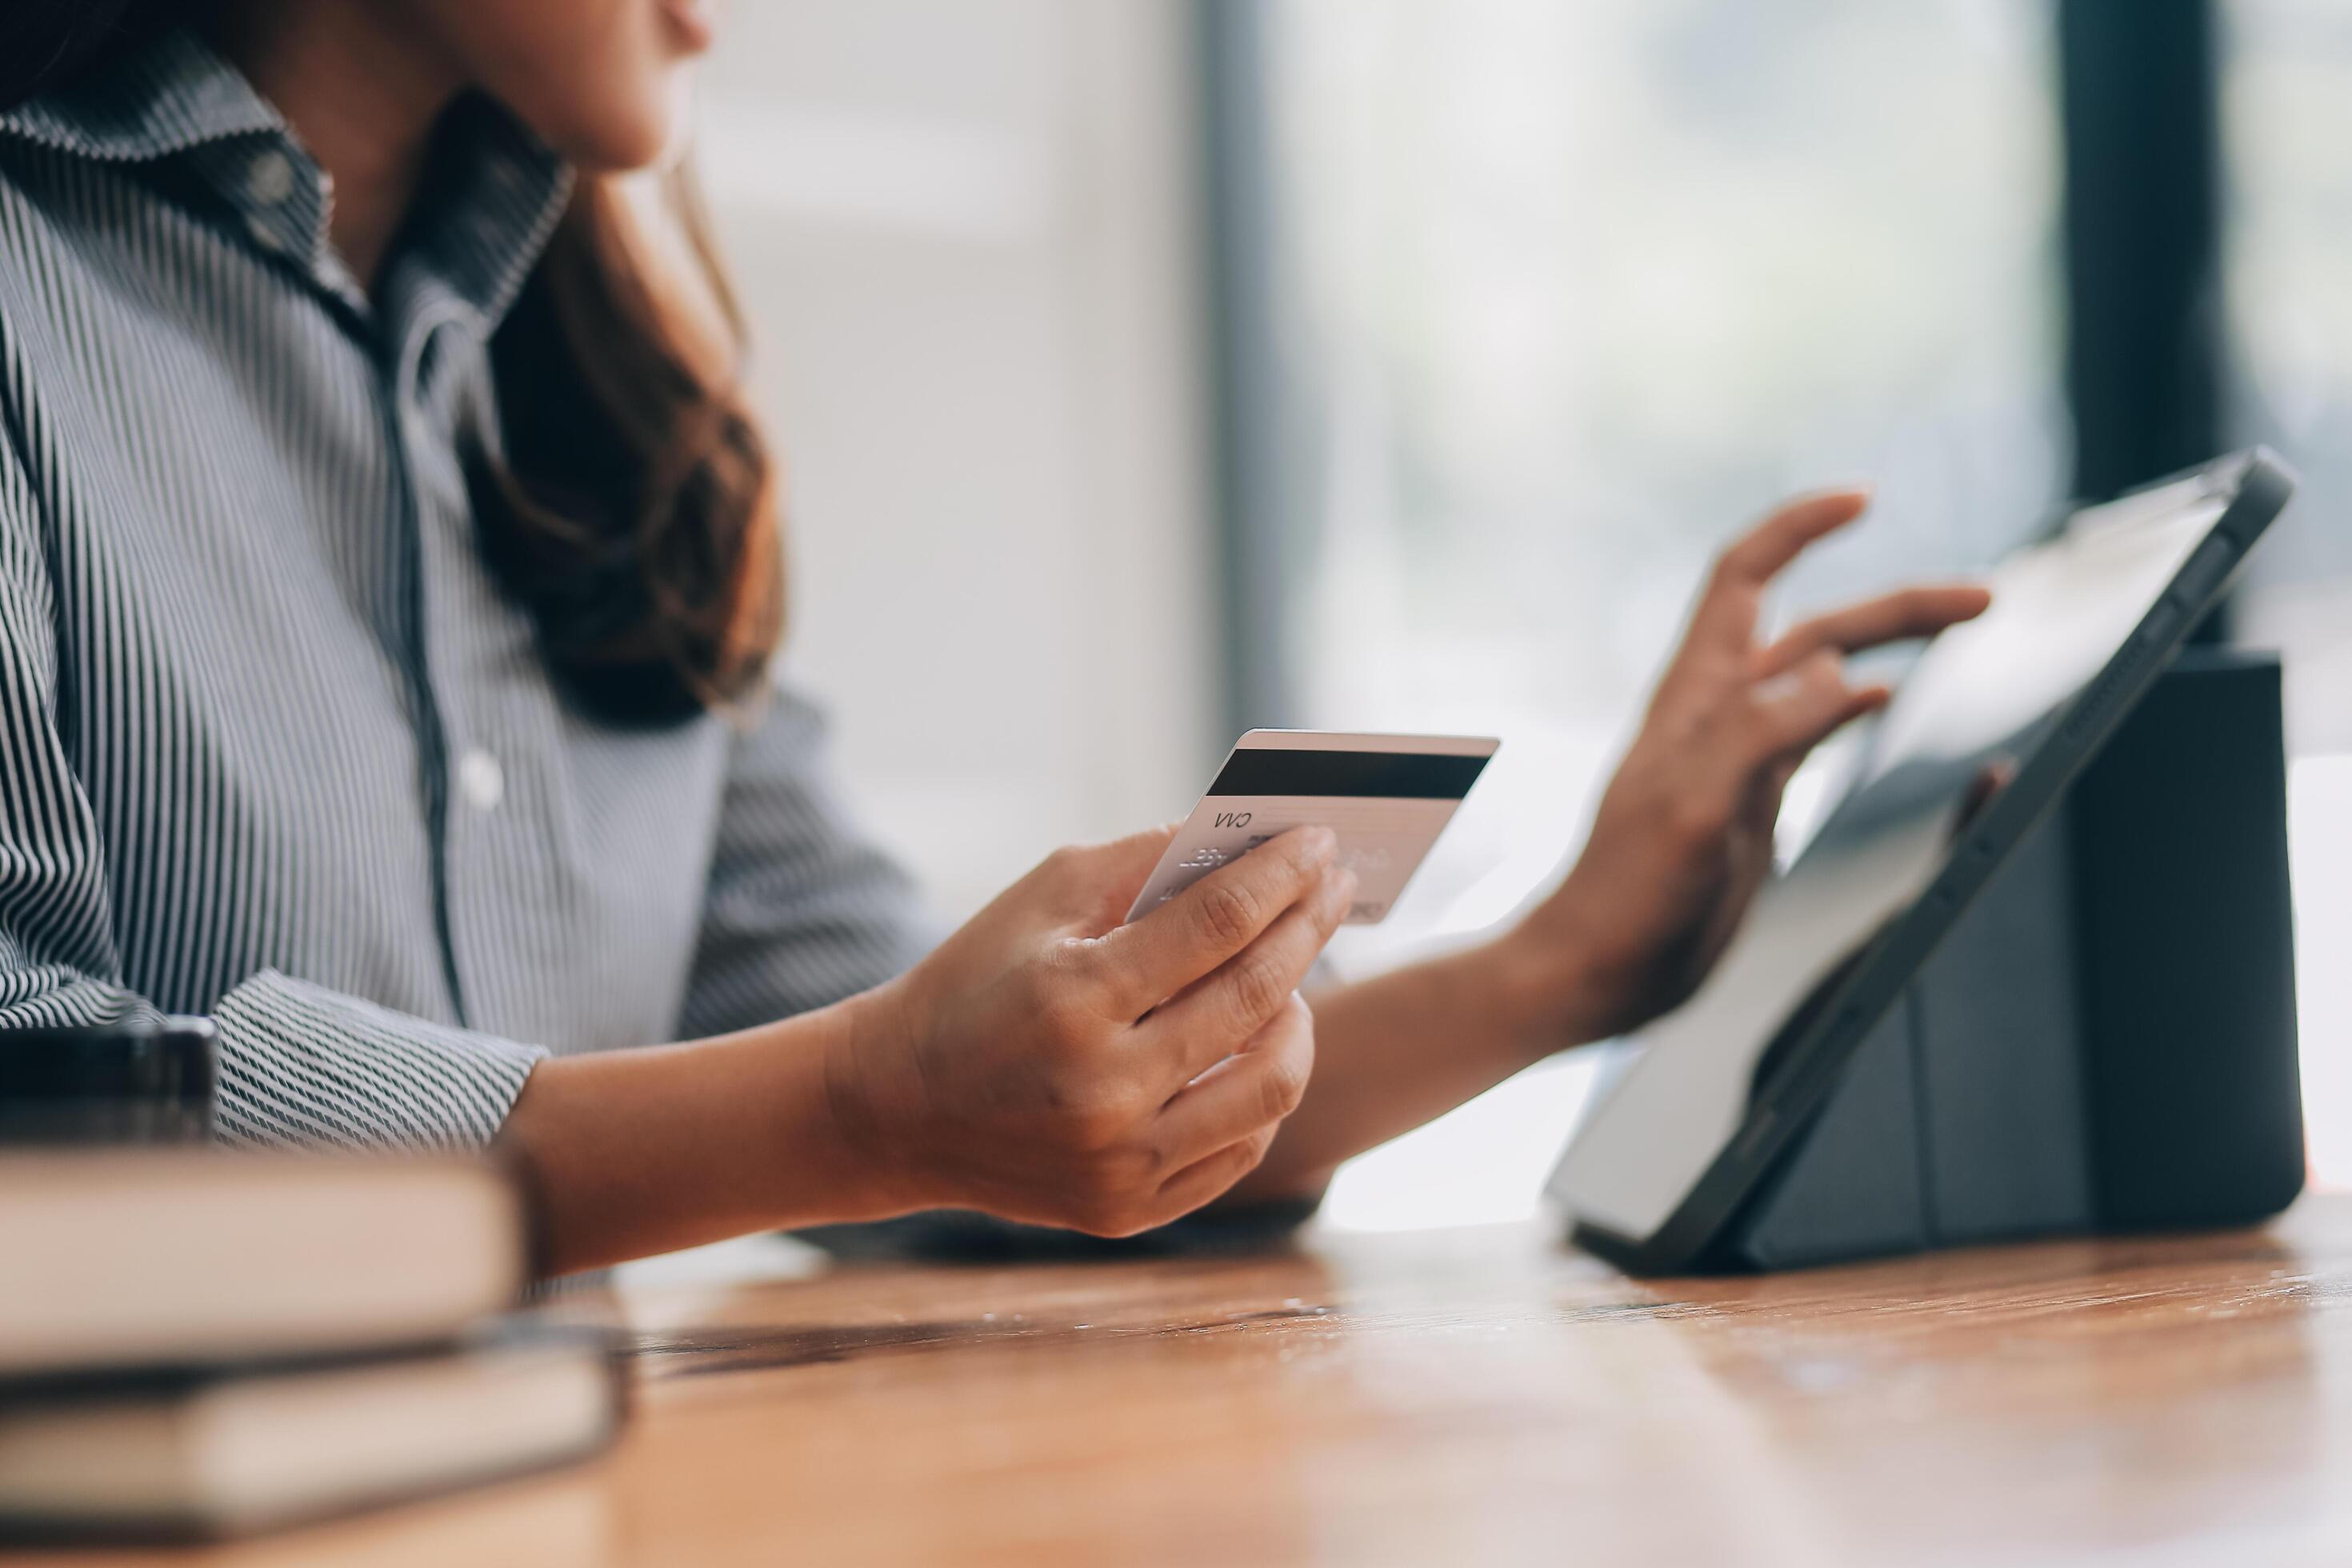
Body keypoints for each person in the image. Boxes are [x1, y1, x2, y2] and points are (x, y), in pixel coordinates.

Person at [0, 0, 1989, 1276]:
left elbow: (959, 1103)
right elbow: (30, 1096)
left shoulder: (606, 417)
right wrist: (866, 1101)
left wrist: (1565, 962)